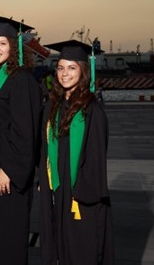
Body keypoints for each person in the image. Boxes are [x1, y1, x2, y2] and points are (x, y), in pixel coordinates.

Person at [39, 41, 114, 265]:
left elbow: (96, 158)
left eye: (72, 68)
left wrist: (81, 193)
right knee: (62, 249)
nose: (64, 73)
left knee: (82, 250)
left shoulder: (92, 110)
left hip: (82, 196)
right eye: (60, 68)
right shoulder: (54, 106)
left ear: (83, 71)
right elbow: (45, 148)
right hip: (60, 192)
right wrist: (46, 178)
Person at [0, 16, 42, 265]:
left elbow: (26, 130)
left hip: (7, 170)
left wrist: (8, 169)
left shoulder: (21, 79)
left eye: (2, 43)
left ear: (14, 47)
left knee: (9, 238)